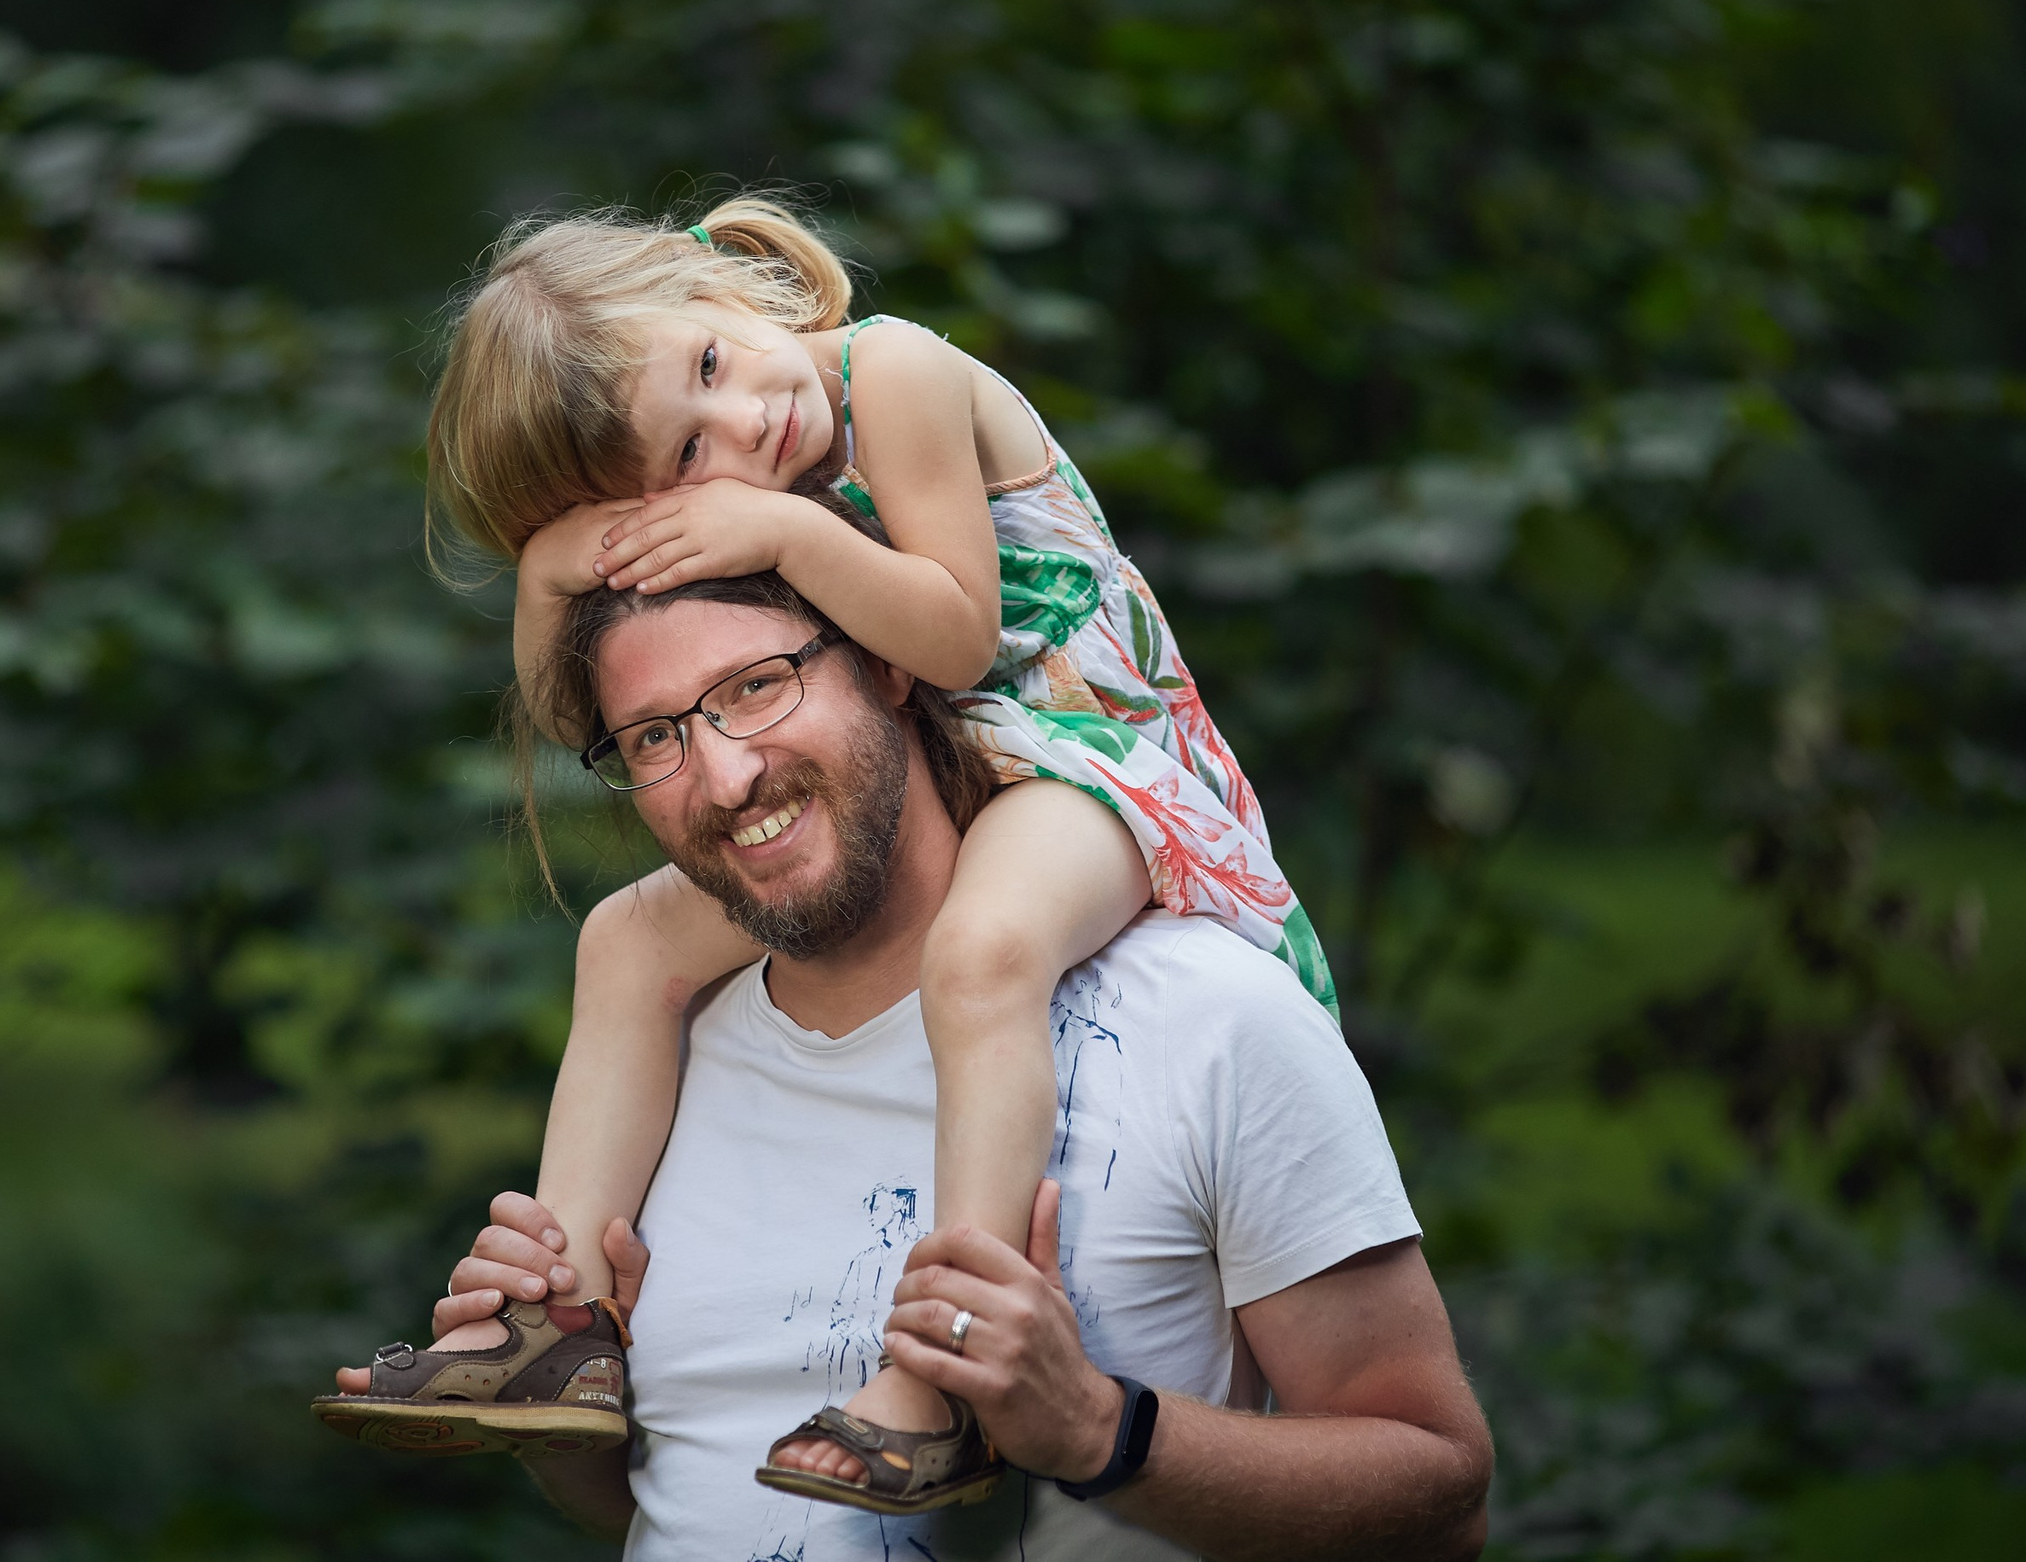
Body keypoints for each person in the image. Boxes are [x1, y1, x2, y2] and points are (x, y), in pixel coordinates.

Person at [321, 194, 1335, 1498]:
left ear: (727, 280)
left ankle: (949, 1364)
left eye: (709, 362)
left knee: (983, 950)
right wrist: (546, 575)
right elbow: (580, 706)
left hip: (1096, 757)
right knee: (626, 940)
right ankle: (552, 1328)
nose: (745, 420)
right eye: (686, 450)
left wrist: (787, 528)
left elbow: (962, 637)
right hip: (933, 772)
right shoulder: (741, 486)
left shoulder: (892, 369)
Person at [327, 563, 1491, 1558]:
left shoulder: (1208, 1018)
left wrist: (1096, 1429)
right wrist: (564, 1421)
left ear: (885, 660)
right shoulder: (654, 1058)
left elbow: (1439, 1501)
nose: (724, 777)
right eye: (655, 737)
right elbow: (670, 1504)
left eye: (756, 686)